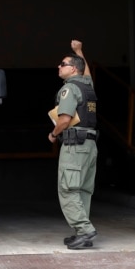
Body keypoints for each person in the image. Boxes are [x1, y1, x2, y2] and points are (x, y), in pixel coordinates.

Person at [47, 40, 98, 250]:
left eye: (63, 64)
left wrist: (53, 134)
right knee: (83, 190)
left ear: (73, 69)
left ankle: (84, 230)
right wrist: (79, 51)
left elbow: (65, 120)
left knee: (68, 189)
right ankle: (81, 234)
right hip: (90, 145)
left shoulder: (69, 89)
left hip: (74, 145)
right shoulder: (88, 86)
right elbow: (87, 72)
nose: (59, 67)